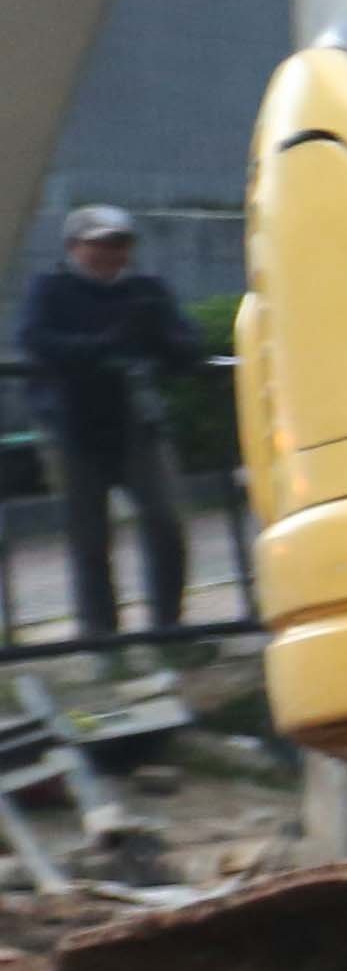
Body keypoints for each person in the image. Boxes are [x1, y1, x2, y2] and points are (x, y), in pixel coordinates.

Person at [18, 210, 202, 648]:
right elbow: (37, 340)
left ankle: (168, 627)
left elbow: (186, 347)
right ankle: (101, 635)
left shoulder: (147, 291)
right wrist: (106, 345)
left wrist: (160, 338)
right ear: (73, 247)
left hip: (137, 423)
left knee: (166, 522)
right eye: (98, 243)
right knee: (89, 536)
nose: (109, 253)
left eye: (119, 244)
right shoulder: (51, 289)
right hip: (72, 427)